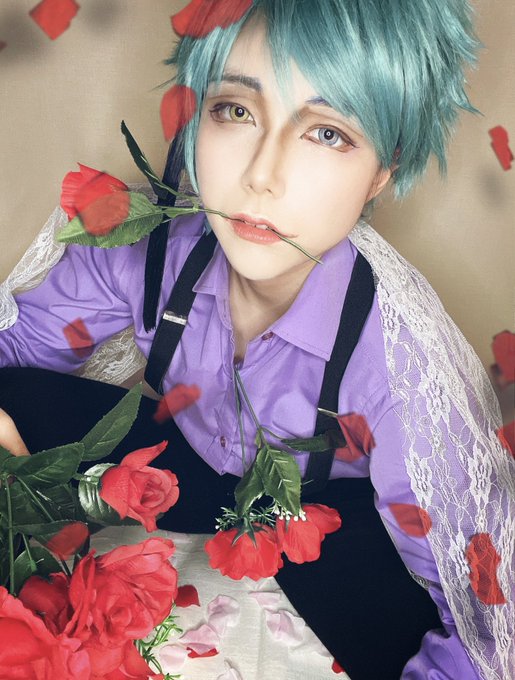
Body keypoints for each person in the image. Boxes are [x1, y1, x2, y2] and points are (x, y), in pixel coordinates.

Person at [0, 1, 513, 678]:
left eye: (327, 133)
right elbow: (18, 350)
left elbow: (489, 625)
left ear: (382, 171)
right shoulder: (150, 250)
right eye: (236, 110)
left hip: (328, 519)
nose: (261, 175)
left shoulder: (403, 373)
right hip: (191, 464)